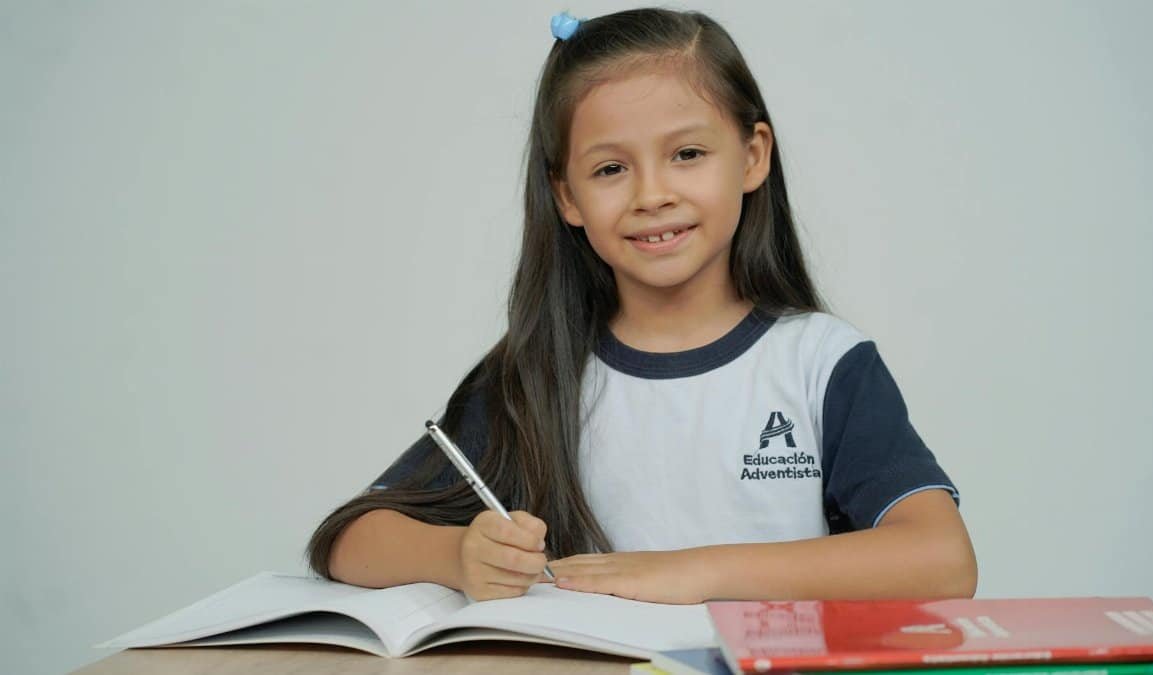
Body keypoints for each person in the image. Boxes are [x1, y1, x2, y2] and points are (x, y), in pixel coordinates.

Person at [306, 7, 977, 605]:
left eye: (687, 153)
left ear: (752, 156)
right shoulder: (535, 369)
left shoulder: (823, 363)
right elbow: (348, 540)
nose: (652, 193)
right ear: (566, 196)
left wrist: (688, 572)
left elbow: (943, 559)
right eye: (609, 169)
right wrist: (458, 555)